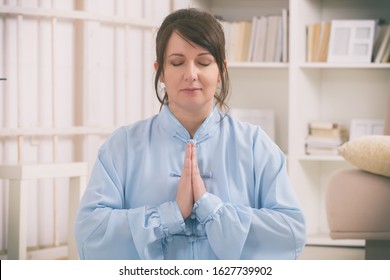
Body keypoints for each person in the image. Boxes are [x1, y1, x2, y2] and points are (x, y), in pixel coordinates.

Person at [75, 8, 306, 260]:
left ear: (221, 71)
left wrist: (212, 210)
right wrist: (169, 215)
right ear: (160, 71)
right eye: (177, 62)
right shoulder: (122, 146)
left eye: (204, 62)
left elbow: (291, 231)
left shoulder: (254, 144)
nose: (191, 74)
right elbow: (90, 233)